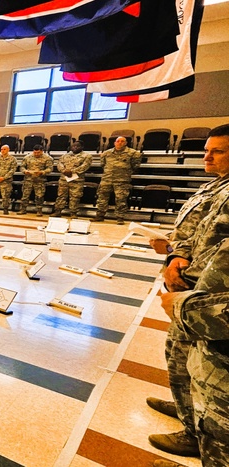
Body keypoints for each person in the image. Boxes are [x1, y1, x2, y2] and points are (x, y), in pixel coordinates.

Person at [148, 125, 229, 460]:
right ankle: (190, 411)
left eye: (218, 151)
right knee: (183, 359)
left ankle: (197, 432)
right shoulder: (216, 187)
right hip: (190, 289)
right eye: (207, 149)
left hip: (208, 299)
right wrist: (174, 252)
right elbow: (201, 235)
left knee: (211, 376)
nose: (206, 155)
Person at [94, 136, 142, 224]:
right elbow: (103, 164)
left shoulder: (133, 153)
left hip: (122, 180)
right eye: (118, 141)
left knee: (121, 199)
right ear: (114, 143)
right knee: (102, 198)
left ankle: (120, 217)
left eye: (122, 141)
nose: (120, 143)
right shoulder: (106, 153)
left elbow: (135, 166)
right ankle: (100, 215)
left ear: (126, 143)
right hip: (107, 179)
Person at [53, 141, 93, 219]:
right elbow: (59, 164)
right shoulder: (65, 155)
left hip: (77, 180)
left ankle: (73, 213)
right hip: (64, 179)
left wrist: (72, 171)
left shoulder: (87, 156)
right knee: (61, 196)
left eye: (77, 146)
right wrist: (64, 171)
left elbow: (85, 166)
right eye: (73, 146)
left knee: (75, 197)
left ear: (82, 147)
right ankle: (58, 211)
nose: (75, 147)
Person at [19, 144, 53, 216]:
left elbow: (50, 169)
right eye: (35, 152)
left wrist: (42, 172)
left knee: (39, 196)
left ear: (42, 151)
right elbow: (22, 167)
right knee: (25, 195)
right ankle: (23, 209)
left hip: (40, 180)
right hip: (28, 179)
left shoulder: (47, 158)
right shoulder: (27, 157)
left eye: (38, 153)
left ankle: (39, 210)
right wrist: (25, 171)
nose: (36, 154)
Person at [0, 145, 17, 215]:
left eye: (4, 149)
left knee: (5, 195)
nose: (2, 151)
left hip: (6, 181)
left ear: (8, 150)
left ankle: (5, 208)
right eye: (1, 149)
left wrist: (4, 178)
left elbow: (12, 170)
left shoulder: (12, 159)